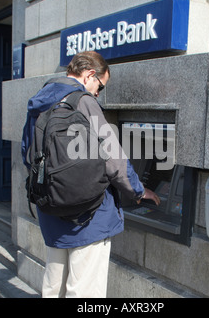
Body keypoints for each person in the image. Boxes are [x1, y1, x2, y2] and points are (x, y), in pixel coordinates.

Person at [22, 51, 160, 298]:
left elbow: (27, 155)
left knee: (54, 287)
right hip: (89, 214)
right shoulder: (83, 101)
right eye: (101, 87)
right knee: (85, 291)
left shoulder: (39, 101)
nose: (98, 93)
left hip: (51, 210)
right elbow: (112, 157)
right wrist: (139, 190)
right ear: (89, 75)